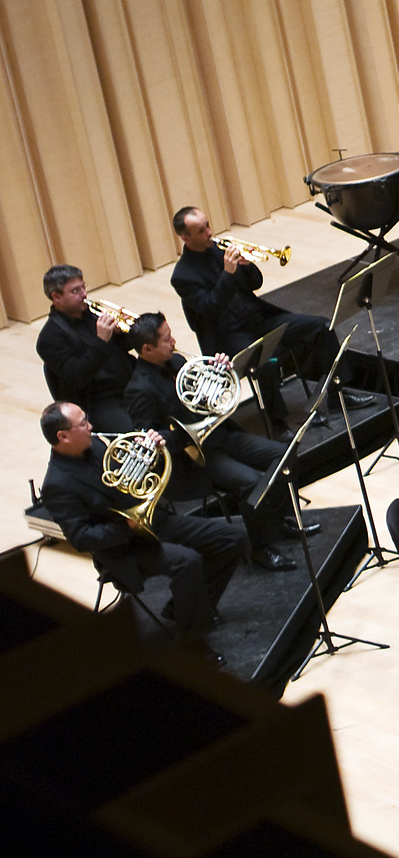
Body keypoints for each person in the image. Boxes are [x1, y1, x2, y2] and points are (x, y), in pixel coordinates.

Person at [40, 402, 244, 650]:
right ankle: (193, 643)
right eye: (83, 423)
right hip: (124, 548)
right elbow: (81, 538)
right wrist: (128, 526)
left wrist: (151, 454)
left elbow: (132, 480)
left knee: (232, 538)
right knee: (186, 561)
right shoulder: (57, 484)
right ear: (63, 436)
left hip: (154, 524)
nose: (91, 426)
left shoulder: (97, 445)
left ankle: (187, 609)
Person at [122, 313, 295, 571]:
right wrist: (183, 435)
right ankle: (261, 549)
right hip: (195, 457)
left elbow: (203, 400)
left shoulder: (177, 361)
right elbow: (151, 440)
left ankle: (278, 523)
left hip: (221, 436)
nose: (173, 342)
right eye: (166, 339)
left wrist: (219, 372)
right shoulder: (139, 389)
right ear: (147, 349)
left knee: (284, 453)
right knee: (250, 481)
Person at [170, 206, 342, 426]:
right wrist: (228, 273)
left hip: (259, 319)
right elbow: (211, 307)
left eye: (208, 225)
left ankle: (338, 394)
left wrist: (247, 265)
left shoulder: (220, 248)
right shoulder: (183, 276)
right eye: (201, 231)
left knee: (322, 326)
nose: (210, 232)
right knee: (263, 361)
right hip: (229, 335)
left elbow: (255, 283)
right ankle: (278, 424)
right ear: (185, 237)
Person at [38, 264, 137, 434]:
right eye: (75, 291)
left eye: (83, 287)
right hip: (102, 400)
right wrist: (101, 341)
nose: (84, 294)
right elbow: (77, 375)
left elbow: (126, 348)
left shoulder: (93, 313)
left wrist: (123, 334)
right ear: (56, 297)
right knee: (135, 432)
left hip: (132, 380)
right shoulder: (49, 339)